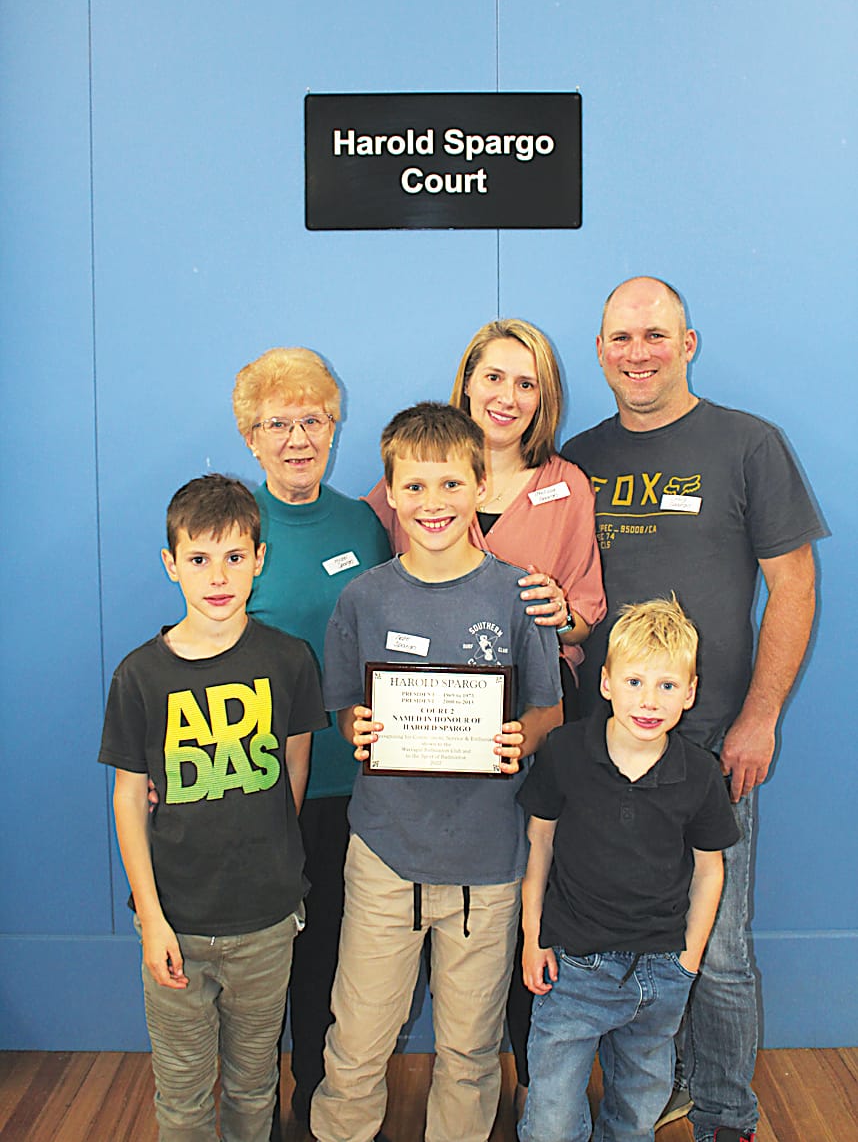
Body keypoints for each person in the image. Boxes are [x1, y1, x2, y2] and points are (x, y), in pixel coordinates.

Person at [562, 277, 825, 1142]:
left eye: (656, 334)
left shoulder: (749, 445)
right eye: (621, 338)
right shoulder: (579, 458)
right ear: (600, 351)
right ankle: (654, 1087)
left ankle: (726, 1110)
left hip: (711, 746)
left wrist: (761, 716)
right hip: (600, 752)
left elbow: (793, 584)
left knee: (717, 949)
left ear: (689, 342)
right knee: (625, 934)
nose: (638, 351)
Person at [364, 318, 607, 1104]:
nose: (506, 396)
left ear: (545, 399)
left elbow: (586, 616)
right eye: (493, 377)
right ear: (465, 380)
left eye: (526, 382)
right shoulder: (412, 476)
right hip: (424, 738)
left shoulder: (568, 485)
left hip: (531, 726)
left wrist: (559, 607)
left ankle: (537, 1099)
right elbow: (378, 599)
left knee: (522, 904)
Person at [310, 402, 563, 1142]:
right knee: (356, 1042)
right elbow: (345, 711)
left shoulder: (518, 596)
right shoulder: (362, 597)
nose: (432, 503)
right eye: (414, 487)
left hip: (487, 863)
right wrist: (355, 725)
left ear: (481, 487)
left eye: (451, 484)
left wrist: (521, 735)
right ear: (389, 492)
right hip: (386, 853)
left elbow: (549, 712)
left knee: (470, 1049)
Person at [98, 474, 326, 1141]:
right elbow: (127, 799)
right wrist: (151, 921)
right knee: (184, 1095)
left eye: (234, 557)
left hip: (266, 922)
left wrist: (272, 869)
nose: (217, 575)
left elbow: (295, 770)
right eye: (198, 558)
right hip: (178, 926)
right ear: (171, 564)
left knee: (255, 1088)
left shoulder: (289, 661)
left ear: (260, 558)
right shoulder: (139, 675)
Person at [231, 347, 391, 1129]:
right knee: (269, 968)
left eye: (314, 419)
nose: (298, 437)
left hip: (356, 784)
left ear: (335, 426)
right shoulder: (237, 528)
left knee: (334, 963)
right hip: (262, 792)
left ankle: (323, 1111)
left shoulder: (363, 520)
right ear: (250, 437)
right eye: (278, 423)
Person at [518, 595, 740, 1142]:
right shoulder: (565, 753)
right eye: (635, 682)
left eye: (667, 686)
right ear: (606, 682)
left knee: (638, 1111)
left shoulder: (700, 775)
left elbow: (709, 871)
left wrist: (687, 960)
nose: (649, 700)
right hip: (572, 968)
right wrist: (531, 936)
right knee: (550, 1119)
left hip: (661, 971)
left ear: (689, 693)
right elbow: (539, 845)